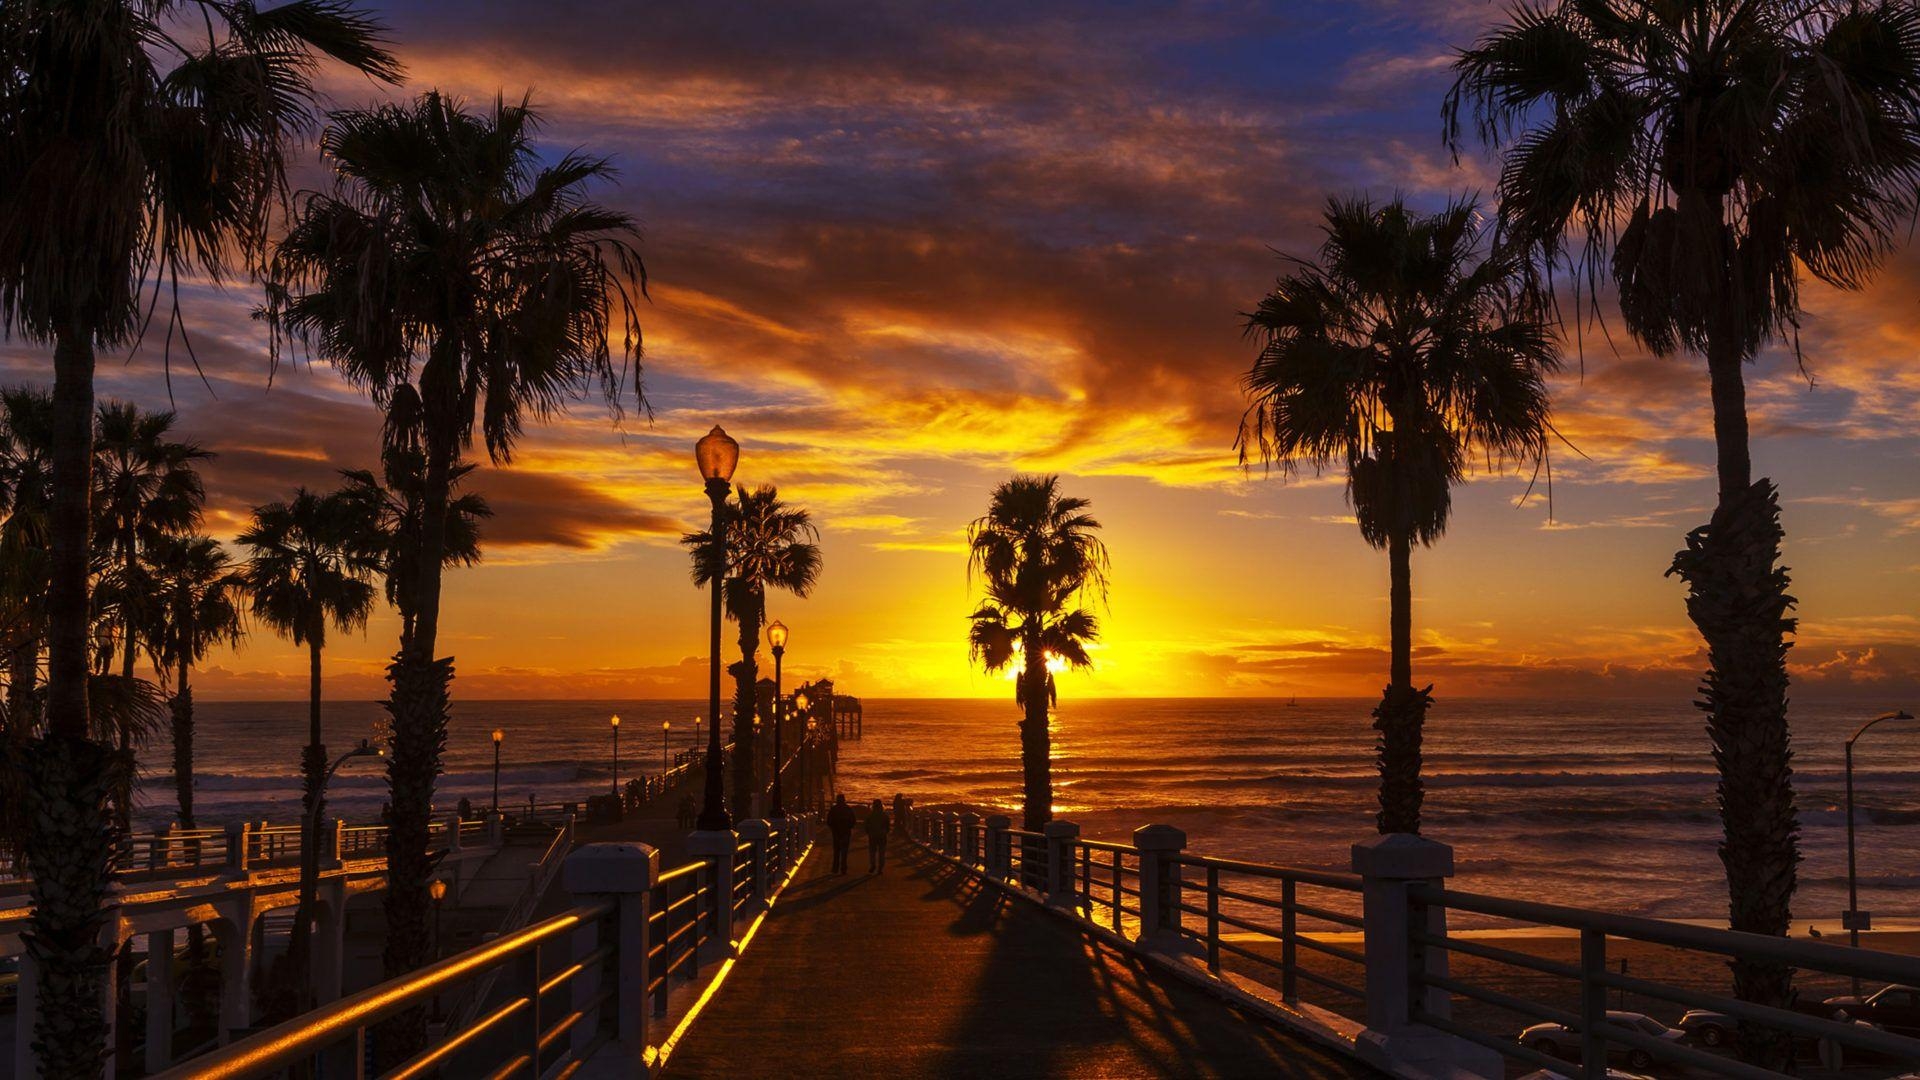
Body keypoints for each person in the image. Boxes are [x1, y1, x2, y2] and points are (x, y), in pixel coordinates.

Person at [826, 794, 856, 874]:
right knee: (844, 852)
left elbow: (829, 821)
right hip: (846, 833)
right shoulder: (848, 809)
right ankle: (843, 868)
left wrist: (833, 828)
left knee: (836, 852)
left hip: (836, 833)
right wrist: (849, 827)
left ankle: (835, 868)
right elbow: (853, 821)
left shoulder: (833, 809)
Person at [865, 798, 891, 874]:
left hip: (872, 835)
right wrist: (885, 832)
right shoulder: (884, 815)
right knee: (881, 853)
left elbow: (866, 825)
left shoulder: (870, 815)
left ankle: (873, 865)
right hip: (882, 836)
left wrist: (868, 832)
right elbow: (887, 826)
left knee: (872, 852)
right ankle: (880, 868)